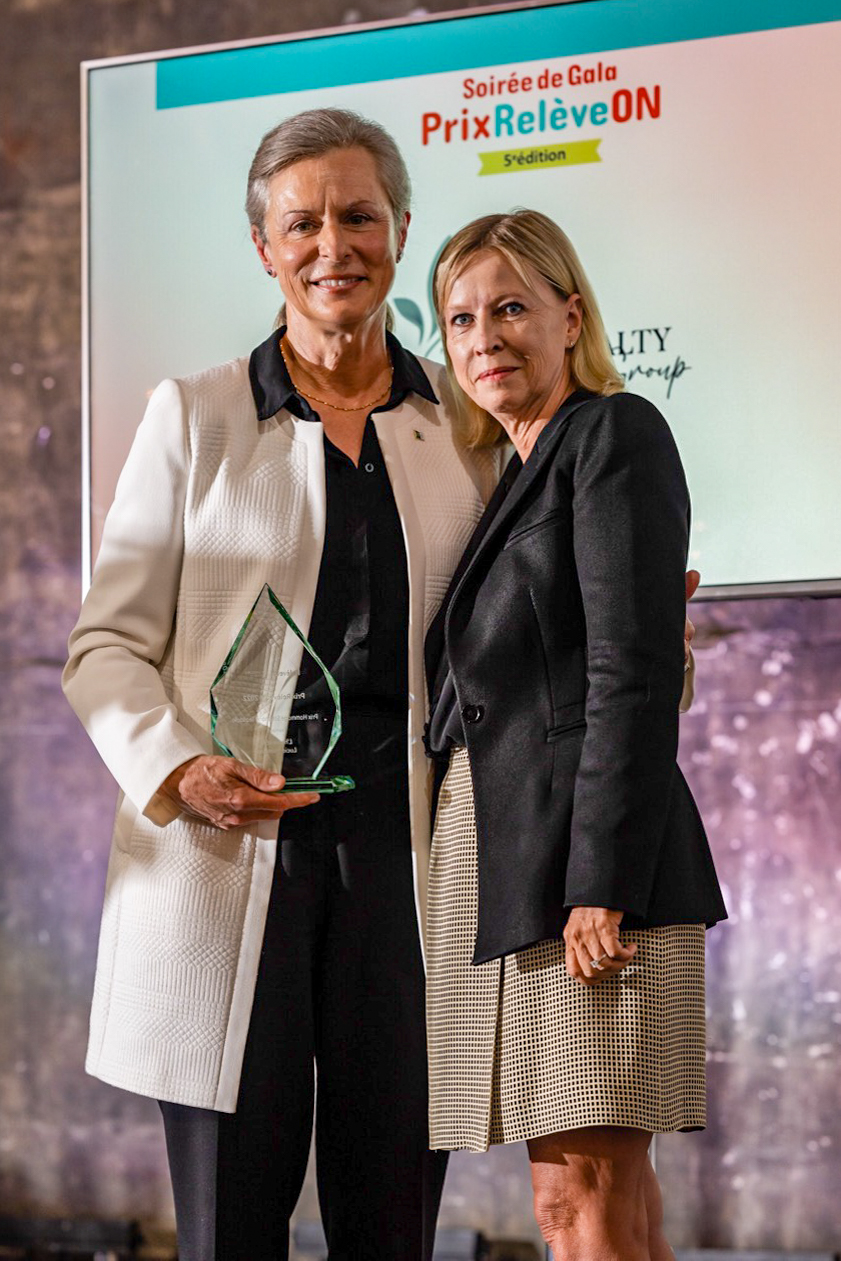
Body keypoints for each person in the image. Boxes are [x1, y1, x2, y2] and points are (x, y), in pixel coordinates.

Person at [62, 108, 503, 1261]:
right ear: (263, 246)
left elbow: (519, 642)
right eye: (300, 222)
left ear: (401, 231)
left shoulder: (465, 428)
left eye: (358, 216)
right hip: (227, 849)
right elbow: (104, 646)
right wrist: (180, 767)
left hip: (408, 862)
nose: (331, 245)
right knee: (227, 1228)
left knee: (390, 1222)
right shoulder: (194, 416)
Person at [423, 210, 726, 1261]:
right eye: (459, 317)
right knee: (578, 1195)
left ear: (570, 314)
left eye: (510, 307)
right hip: (516, 863)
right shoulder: (515, 473)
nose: (484, 337)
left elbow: (627, 673)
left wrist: (601, 877)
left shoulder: (612, 433)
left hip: (584, 873)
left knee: (582, 1190)